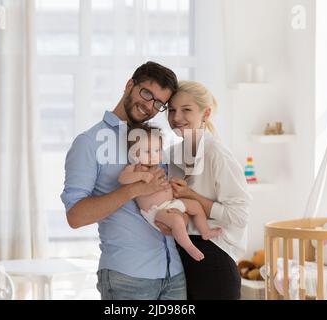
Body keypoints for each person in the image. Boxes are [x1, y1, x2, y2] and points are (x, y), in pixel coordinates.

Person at [61, 62, 187, 300]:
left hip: (174, 274)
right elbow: (75, 217)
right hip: (128, 278)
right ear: (130, 85)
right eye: (147, 93)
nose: (150, 106)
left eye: (159, 103)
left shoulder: (156, 141)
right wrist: (131, 190)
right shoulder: (89, 143)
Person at [162, 80, 252, 300]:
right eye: (172, 110)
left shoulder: (217, 155)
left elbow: (239, 216)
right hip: (181, 256)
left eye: (186, 110)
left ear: (206, 113)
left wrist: (192, 196)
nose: (176, 117)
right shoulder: (170, 155)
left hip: (215, 257)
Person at [118, 124, 222, 261]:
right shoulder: (135, 169)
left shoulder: (160, 166)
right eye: (147, 152)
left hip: (171, 204)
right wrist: (140, 176)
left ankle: (205, 231)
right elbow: (122, 179)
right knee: (176, 220)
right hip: (155, 212)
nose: (153, 156)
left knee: (195, 206)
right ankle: (189, 247)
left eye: (157, 150)